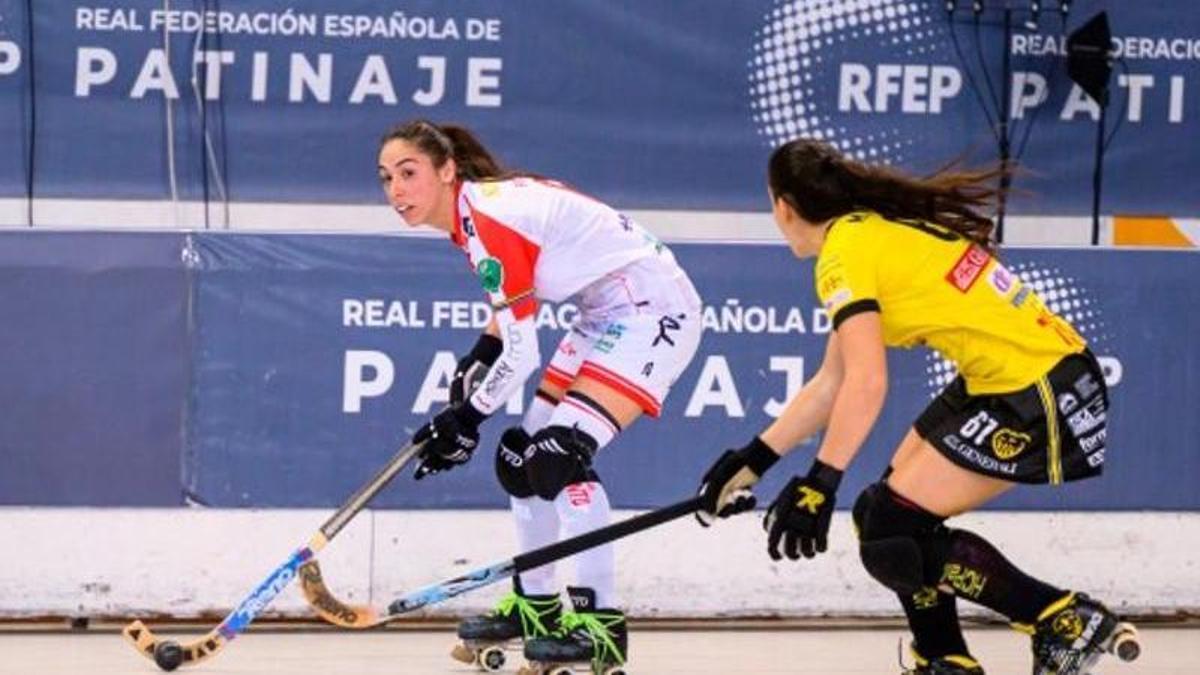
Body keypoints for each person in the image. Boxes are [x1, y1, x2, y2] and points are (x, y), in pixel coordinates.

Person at [695, 138, 1138, 675]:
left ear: (783, 207)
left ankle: (1063, 618)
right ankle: (943, 658)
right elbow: (831, 383)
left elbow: (866, 380)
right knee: (881, 518)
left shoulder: (844, 254)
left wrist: (820, 481)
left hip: (1039, 387)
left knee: (891, 528)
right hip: (1017, 378)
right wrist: (751, 462)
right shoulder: (864, 233)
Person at [377, 119, 702, 672]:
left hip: (653, 310)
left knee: (557, 456)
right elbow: (513, 311)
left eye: (409, 173)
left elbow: (523, 356)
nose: (396, 190)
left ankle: (599, 625)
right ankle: (538, 605)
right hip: (603, 310)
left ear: (447, 170)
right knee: (518, 459)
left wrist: (465, 417)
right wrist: (483, 348)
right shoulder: (472, 216)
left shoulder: (486, 217)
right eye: (386, 178)